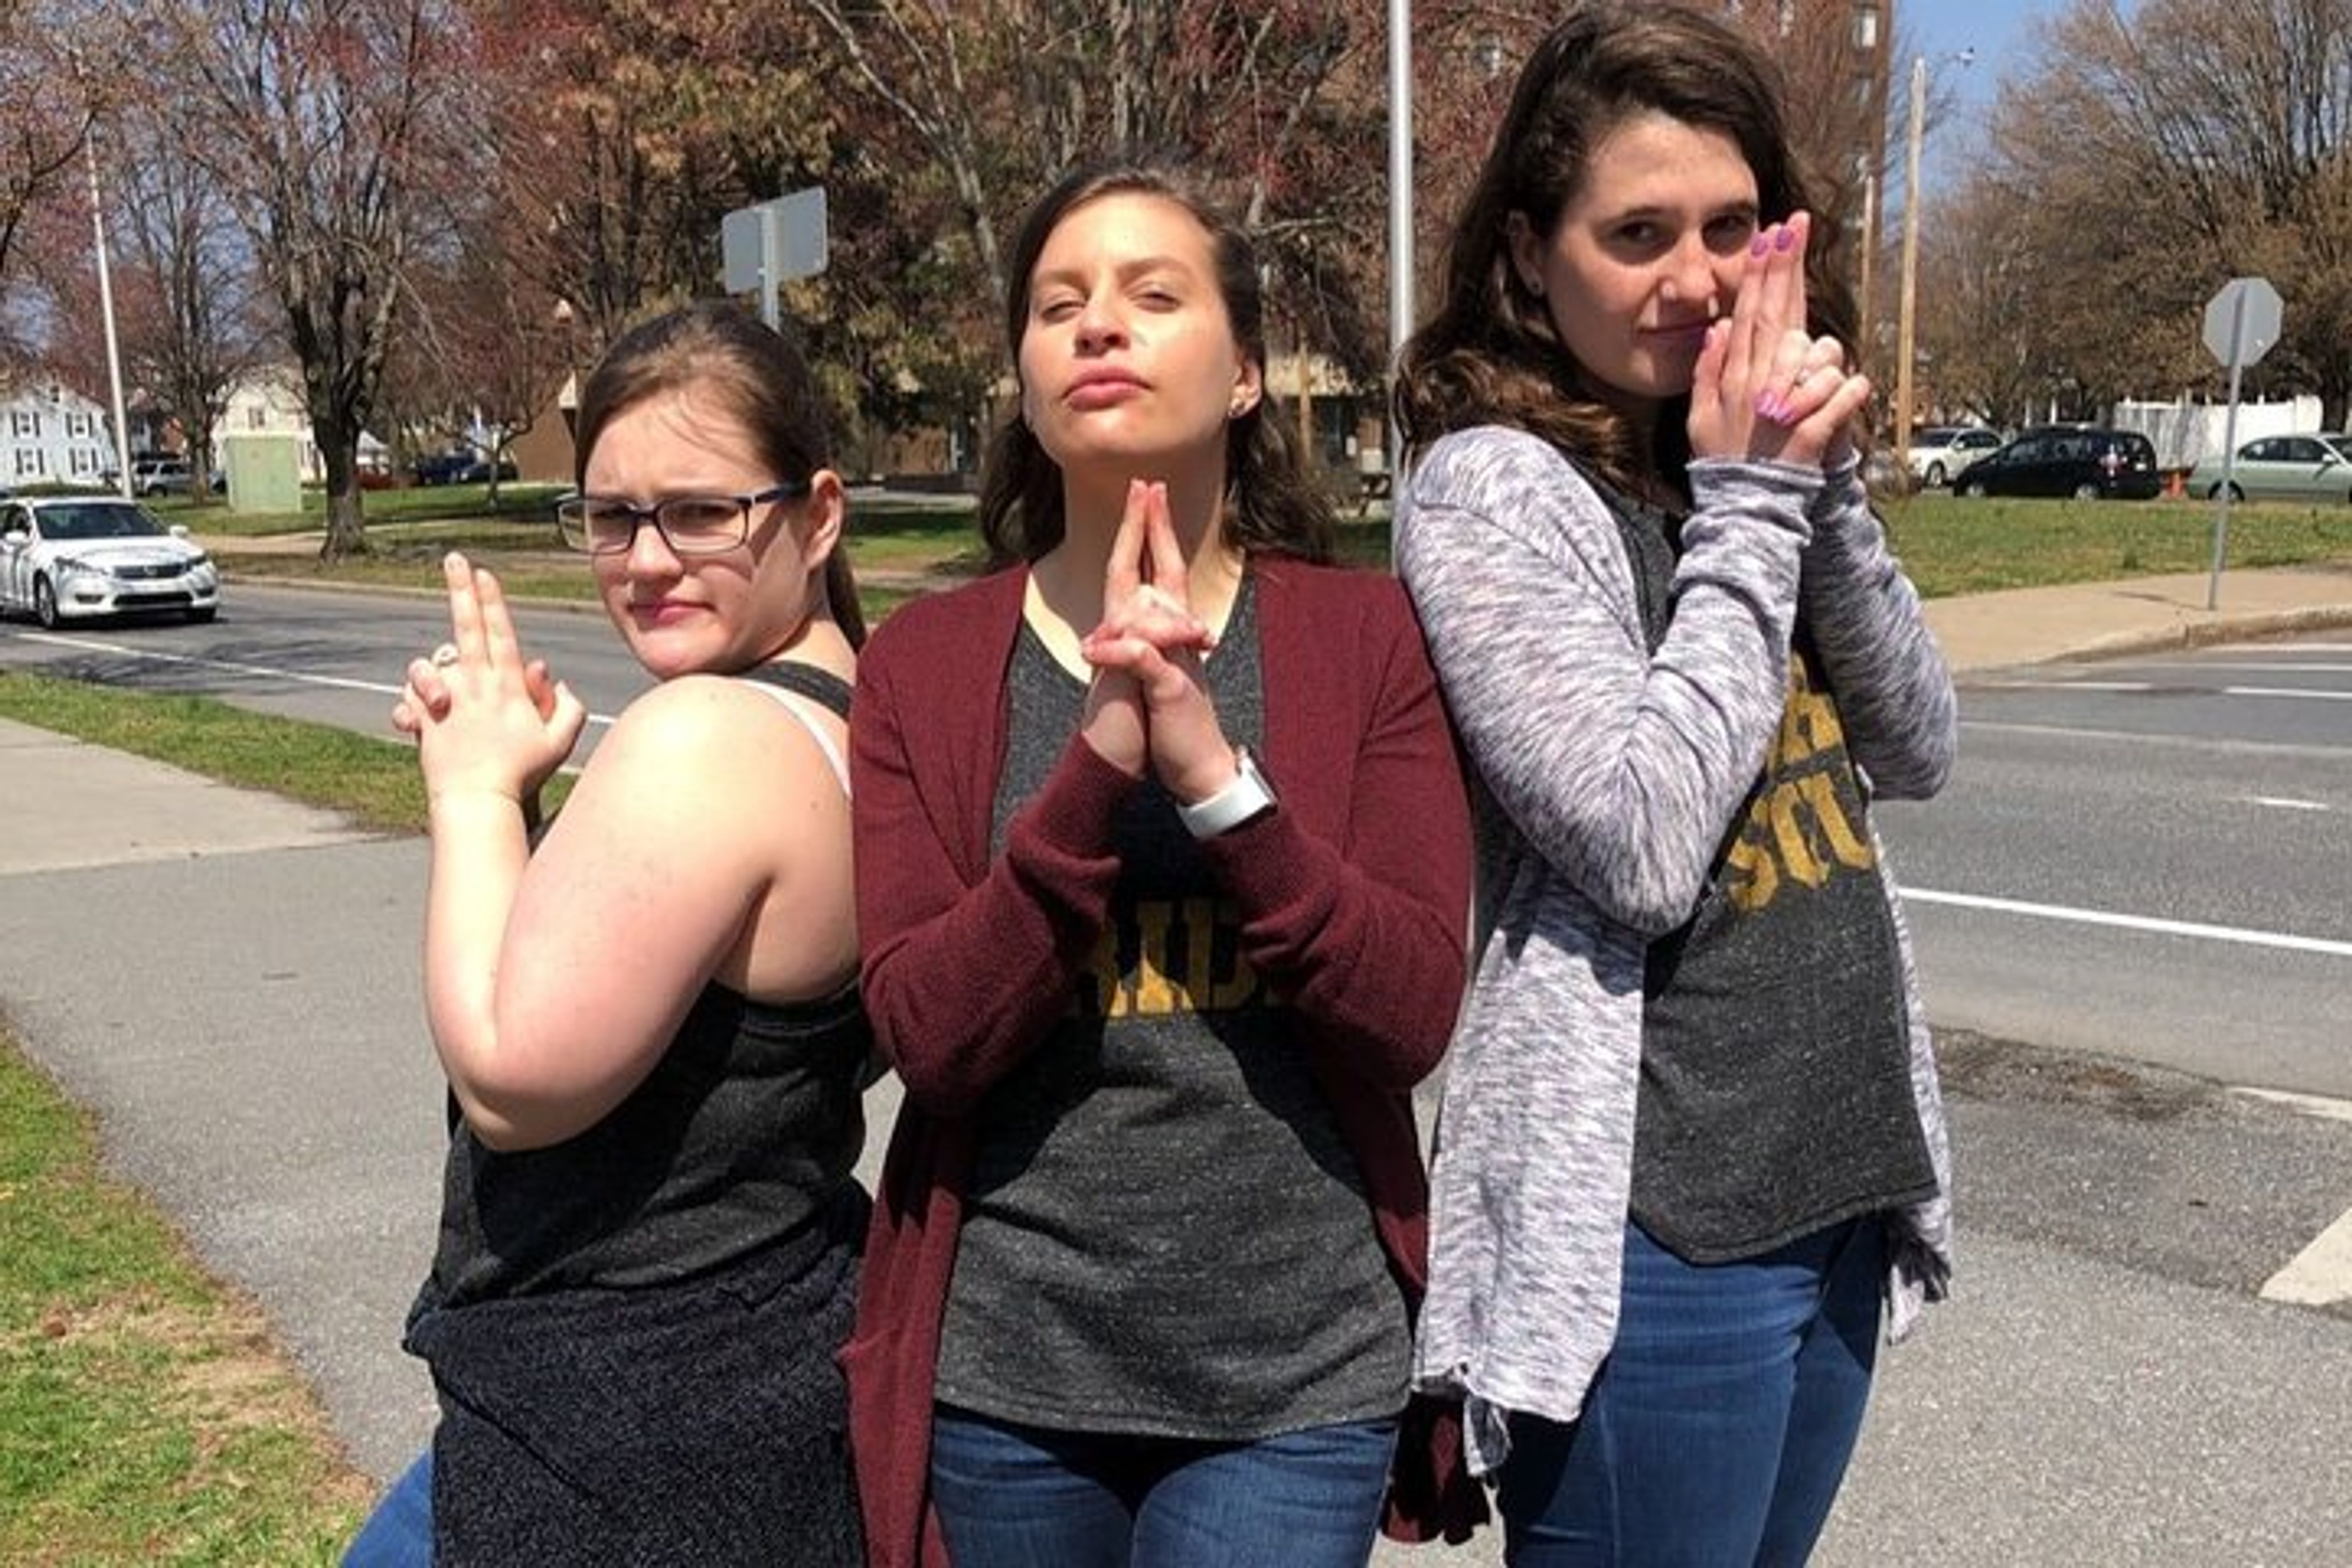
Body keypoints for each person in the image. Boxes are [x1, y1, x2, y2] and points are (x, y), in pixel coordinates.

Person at [841, 160, 1483, 1567]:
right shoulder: (921, 668)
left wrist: (1214, 783)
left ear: (1245, 372)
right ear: (1023, 383)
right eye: (1057, 304)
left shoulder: (1366, 639)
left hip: (1294, 1379)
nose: (1097, 325)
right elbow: (928, 1039)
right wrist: (1094, 770)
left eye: (1151, 293)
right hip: (1009, 1380)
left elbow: (1407, 1012)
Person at [1390, 5, 1958, 1563]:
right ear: (1531, 255)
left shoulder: (1734, 462)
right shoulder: (1496, 489)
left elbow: (1917, 743)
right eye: (1635, 233)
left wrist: (1817, 491)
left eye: (1729, 229)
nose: (1695, 280)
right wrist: (1755, 497)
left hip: (1835, 1184)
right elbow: (1638, 843)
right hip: (1659, 1238)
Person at [346, 300, 871, 1565]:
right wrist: (521, 802)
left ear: (818, 514)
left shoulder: (706, 739)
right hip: (751, 1351)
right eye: (611, 515)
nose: (646, 560)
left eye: (701, 511)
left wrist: (472, 795)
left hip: (624, 1416)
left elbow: (515, 1078)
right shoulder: (860, 718)